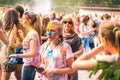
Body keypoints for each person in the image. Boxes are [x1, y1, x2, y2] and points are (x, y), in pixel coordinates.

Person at [9, 11, 41, 80]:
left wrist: (16, 55)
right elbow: (30, 46)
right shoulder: (32, 32)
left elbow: (32, 53)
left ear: (29, 21)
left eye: (23, 19)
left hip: (29, 65)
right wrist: (23, 37)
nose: (22, 21)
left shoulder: (32, 33)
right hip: (30, 64)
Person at [61, 15, 83, 80]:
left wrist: (72, 55)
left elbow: (81, 50)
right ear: (62, 23)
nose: (67, 24)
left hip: (71, 64)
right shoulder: (58, 35)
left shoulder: (76, 37)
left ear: (72, 24)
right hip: (60, 64)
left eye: (69, 22)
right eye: (65, 22)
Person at [14, 5, 26, 80]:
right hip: (18, 47)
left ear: (18, 13)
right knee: (17, 72)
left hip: (20, 48)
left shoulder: (21, 23)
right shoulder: (17, 22)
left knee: (18, 72)